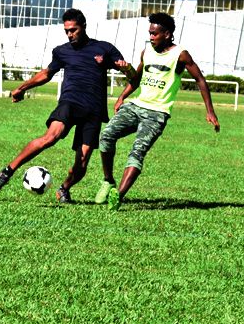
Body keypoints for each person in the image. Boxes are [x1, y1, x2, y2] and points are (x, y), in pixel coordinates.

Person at [0, 8, 133, 202]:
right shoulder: (62, 51)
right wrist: (22, 88)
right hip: (70, 102)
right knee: (50, 137)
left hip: (94, 111)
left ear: (83, 27)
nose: (70, 34)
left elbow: (131, 76)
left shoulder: (104, 48)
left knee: (82, 161)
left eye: (73, 29)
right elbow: (46, 73)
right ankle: (7, 172)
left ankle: (64, 188)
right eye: (67, 31)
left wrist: (127, 70)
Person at [94, 12, 219, 209]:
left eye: (155, 34)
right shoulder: (147, 51)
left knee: (137, 152)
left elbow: (200, 80)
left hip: (157, 113)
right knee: (106, 135)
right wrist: (122, 96)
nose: (151, 37)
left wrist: (210, 111)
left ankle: (118, 196)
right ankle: (108, 180)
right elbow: (137, 77)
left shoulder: (181, 55)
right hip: (136, 105)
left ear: (167, 34)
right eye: (150, 33)